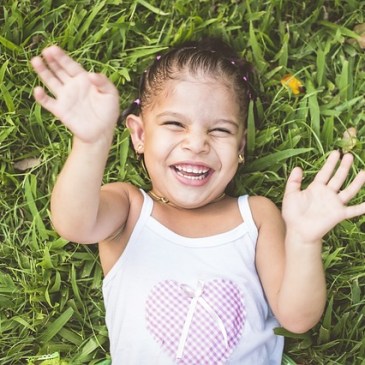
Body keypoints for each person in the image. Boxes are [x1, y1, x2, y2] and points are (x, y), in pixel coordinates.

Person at [31, 38, 365, 364]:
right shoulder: (130, 208)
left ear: (241, 147)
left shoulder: (257, 215)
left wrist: (305, 241)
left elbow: (296, 318)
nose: (197, 143)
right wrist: (92, 142)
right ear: (140, 135)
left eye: (219, 130)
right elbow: (73, 223)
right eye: (175, 124)